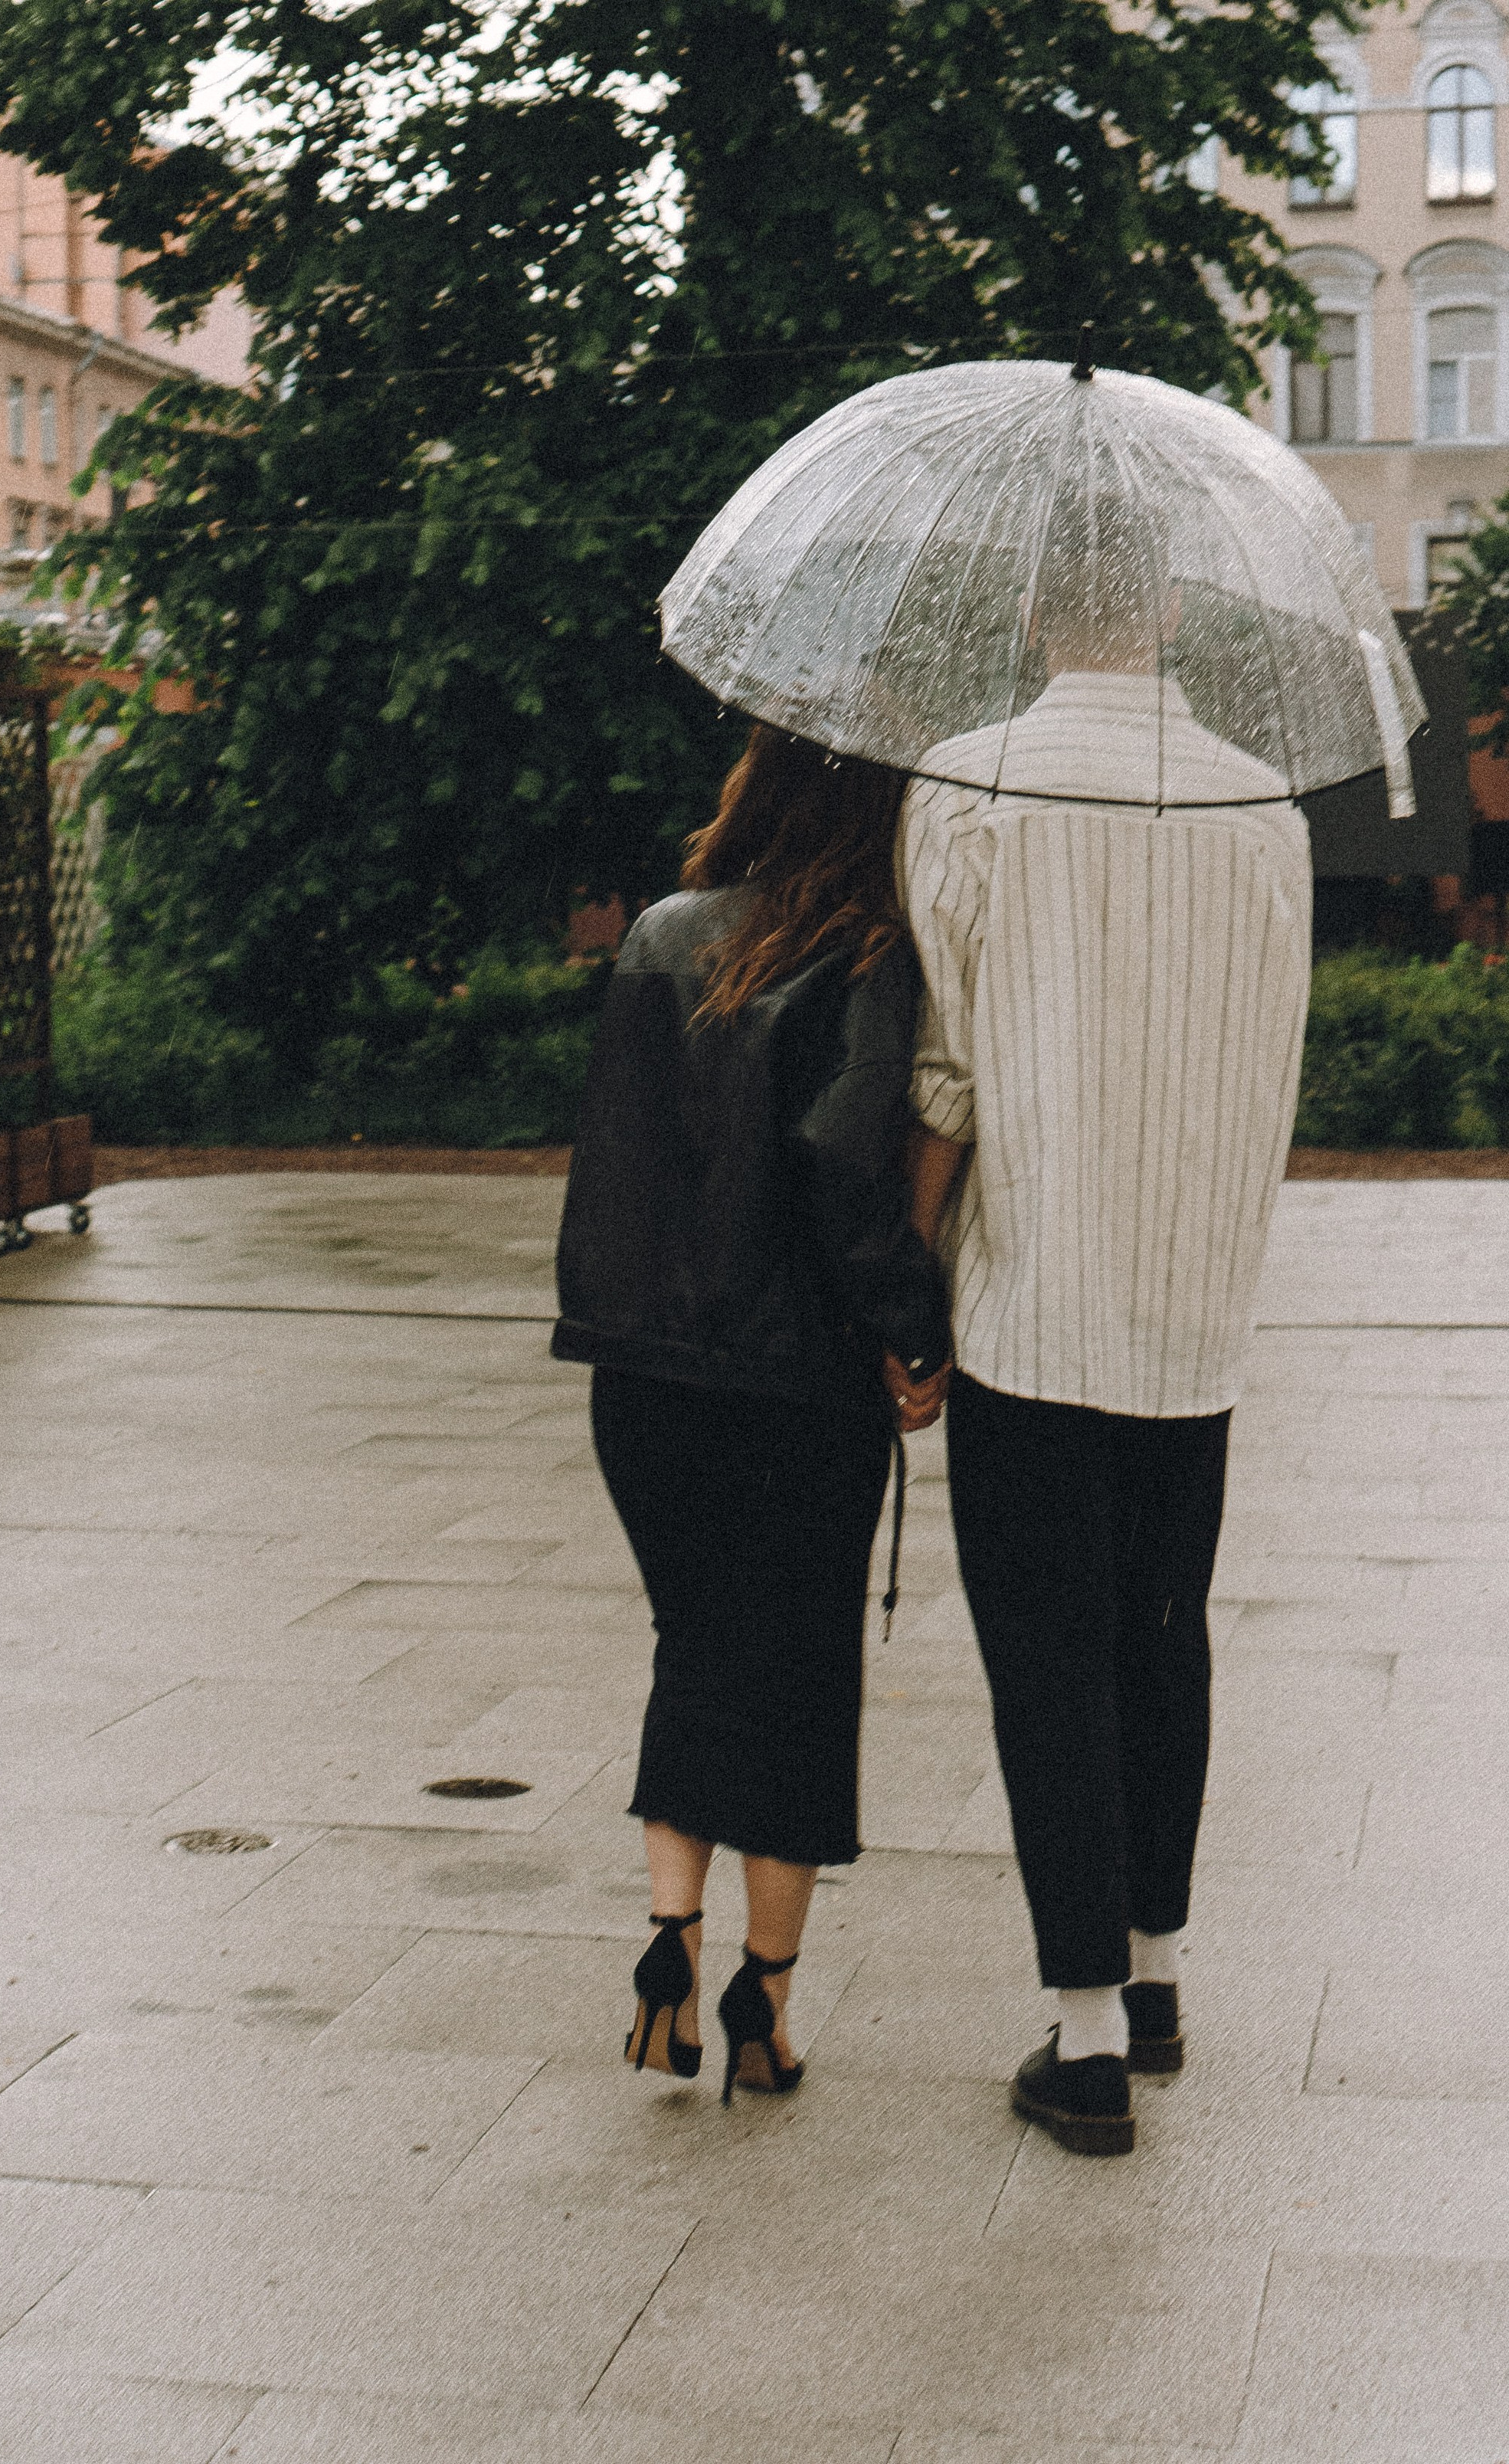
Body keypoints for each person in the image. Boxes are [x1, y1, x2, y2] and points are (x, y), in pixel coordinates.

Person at [897, 552, 1313, 2158]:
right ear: (1169, 610)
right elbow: (1275, 1049)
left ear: (1029, 611)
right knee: (1161, 1633)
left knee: (1047, 1655)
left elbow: (945, 1069)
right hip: (1191, 1307)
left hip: (1030, 1294)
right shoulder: (1261, 806)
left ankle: (1081, 2043)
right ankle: (1152, 1978)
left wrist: (906, 1291)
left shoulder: (970, 785)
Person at [553, 725, 951, 2105]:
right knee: (799, 1678)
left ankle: (670, 1939)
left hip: (642, 1376)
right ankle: (761, 2006)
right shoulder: (869, 956)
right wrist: (915, 1326)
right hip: (796, 1381)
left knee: (698, 1643)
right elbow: (844, 1170)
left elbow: (617, 1154)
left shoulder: (659, 935)